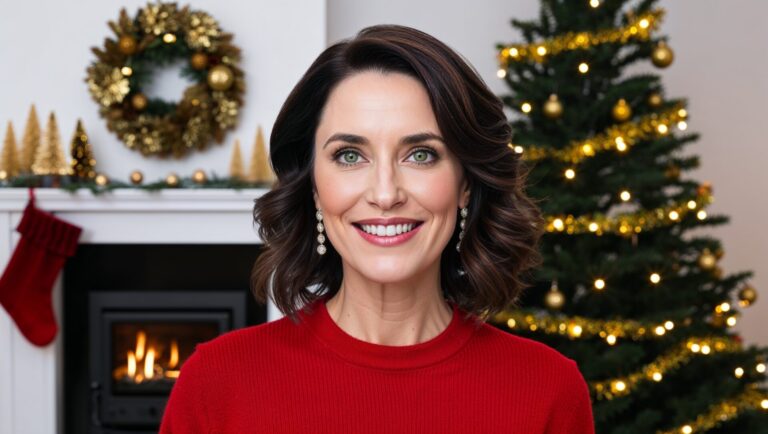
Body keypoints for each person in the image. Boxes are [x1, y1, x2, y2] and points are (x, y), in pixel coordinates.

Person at [159, 24, 595, 433]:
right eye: (350, 156)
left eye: (420, 154)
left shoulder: (548, 388)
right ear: (313, 184)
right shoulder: (218, 382)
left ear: (465, 183)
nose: (385, 194)